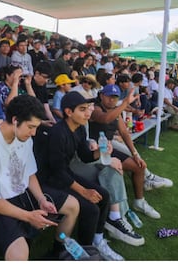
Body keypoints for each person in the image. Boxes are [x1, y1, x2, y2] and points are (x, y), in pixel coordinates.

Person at [0, 95, 81, 261]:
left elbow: (29, 173)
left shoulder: (23, 135)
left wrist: (41, 199)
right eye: (31, 127)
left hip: (21, 192)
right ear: (15, 120)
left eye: (36, 127)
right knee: (19, 254)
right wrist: (29, 216)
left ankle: (58, 253)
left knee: (72, 206)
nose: (34, 133)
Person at [36, 90, 131, 259]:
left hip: (64, 175)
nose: (88, 112)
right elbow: (57, 172)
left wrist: (101, 153)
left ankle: (97, 240)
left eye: (88, 108)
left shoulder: (79, 129)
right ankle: (87, 252)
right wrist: (83, 191)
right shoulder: (57, 133)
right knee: (90, 208)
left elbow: (85, 156)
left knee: (104, 195)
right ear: (68, 112)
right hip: (49, 181)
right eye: (82, 109)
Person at [90, 84, 160, 219]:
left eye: (115, 97)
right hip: (95, 151)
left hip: (109, 148)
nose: (112, 100)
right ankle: (117, 214)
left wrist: (135, 154)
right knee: (118, 170)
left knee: (139, 166)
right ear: (101, 95)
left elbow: (124, 132)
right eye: (109, 97)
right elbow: (105, 118)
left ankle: (139, 202)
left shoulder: (116, 110)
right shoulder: (95, 108)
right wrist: (125, 104)